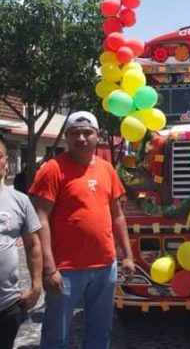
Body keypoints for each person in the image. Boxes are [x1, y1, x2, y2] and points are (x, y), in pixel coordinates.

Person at [30, 111, 135, 349]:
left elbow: (117, 215)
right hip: (65, 270)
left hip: (105, 266)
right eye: (75, 133)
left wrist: (127, 255)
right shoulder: (52, 169)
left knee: (100, 333)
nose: (81, 138)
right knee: (56, 337)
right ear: (67, 137)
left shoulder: (107, 169)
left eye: (87, 133)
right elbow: (41, 218)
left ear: (97, 136)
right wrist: (48, 268)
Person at [0, 133, 42, 349]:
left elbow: (33, 245)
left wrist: (36, 287)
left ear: (6, 161)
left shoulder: (20, 199)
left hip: (7, 306)